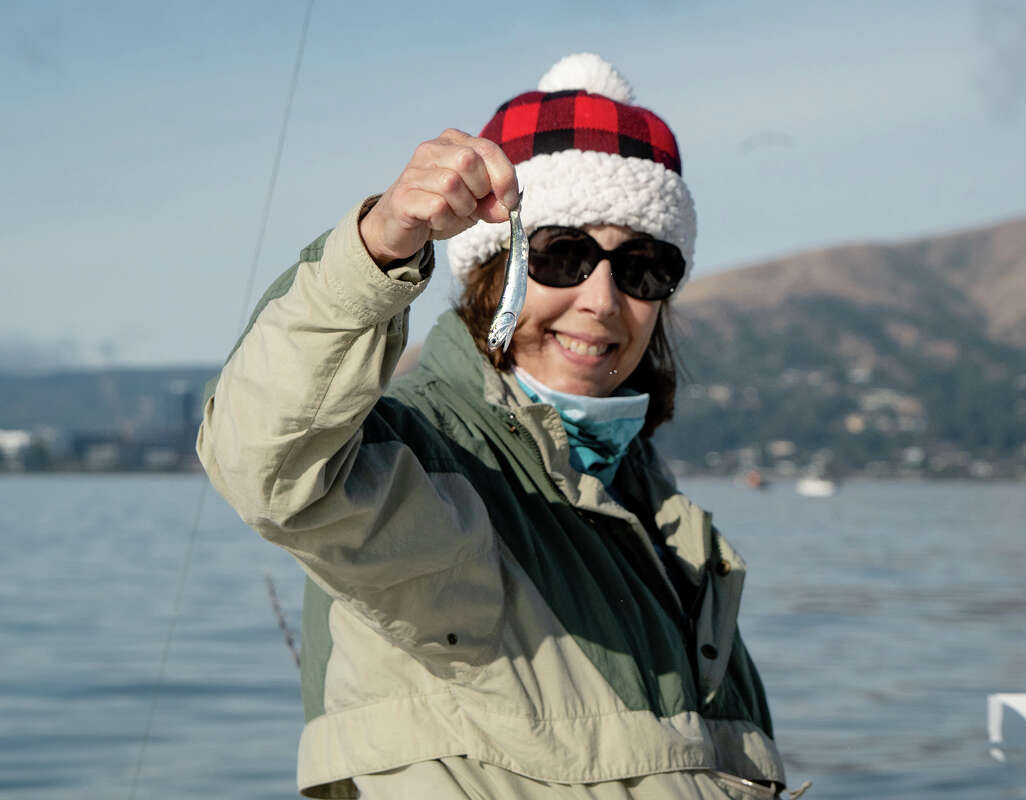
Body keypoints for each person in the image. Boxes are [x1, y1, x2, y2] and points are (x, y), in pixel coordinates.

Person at [198, 53, 787, 799]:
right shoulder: (422, 467)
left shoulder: (667, 529)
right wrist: (379, 245)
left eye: (642, 267)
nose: (602, 301)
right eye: (560, 255)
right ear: (488, 273)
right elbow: (265, 458)